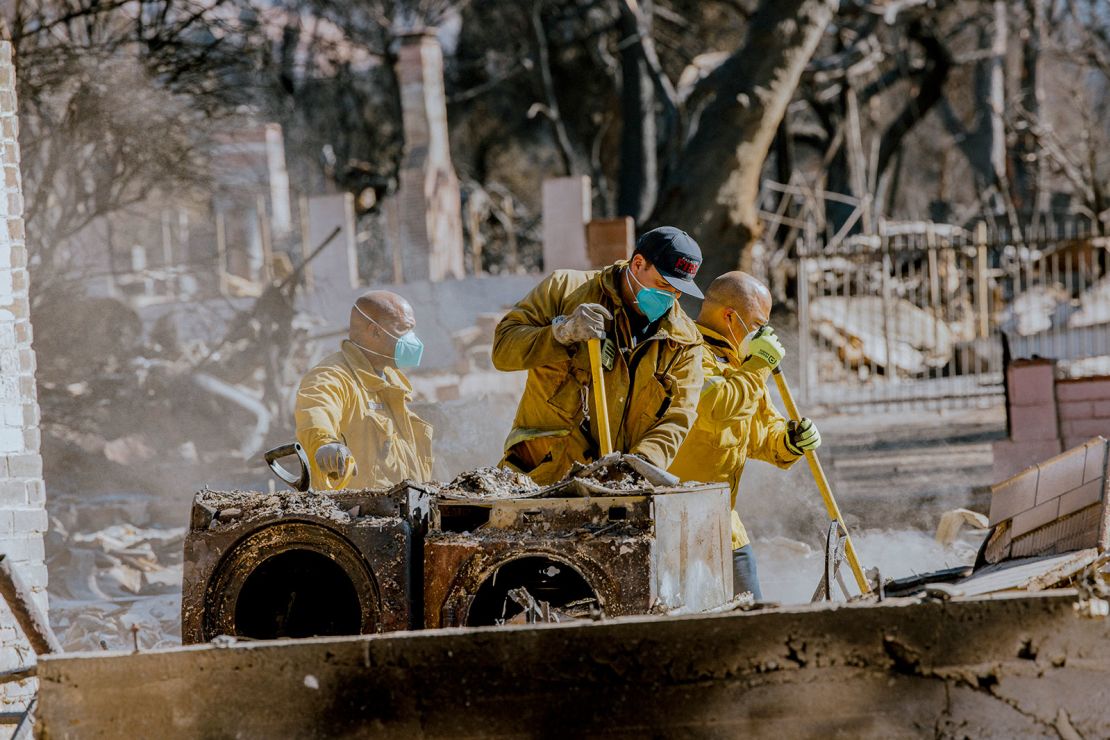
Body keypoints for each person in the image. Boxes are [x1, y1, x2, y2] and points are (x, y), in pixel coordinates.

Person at [492, 226, 706, 485]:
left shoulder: (683, 341)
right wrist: (562, 332)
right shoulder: (565, 289)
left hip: (614, 488)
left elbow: (677, 417)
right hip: (539, 476)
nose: (670, 297)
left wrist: (639, 468)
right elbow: (503, 350)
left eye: (678, 291)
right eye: (663, 284)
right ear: (638, 264)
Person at [668, 271, 822, 600]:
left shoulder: (742, 363)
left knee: (749, 613)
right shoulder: (684, 351)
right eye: (757, 324)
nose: (763, 333)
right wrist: (760, 364)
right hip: (672, 520)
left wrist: (790, 441)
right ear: (729, 316)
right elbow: (715, 408)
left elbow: (762, 434)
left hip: (722, 521)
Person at [295, 290, 433, 489]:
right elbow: (315, 415)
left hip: (404, 507)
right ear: (375, 331)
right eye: (403, 329)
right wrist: (325, 445)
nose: (412, 339)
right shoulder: (331, 376)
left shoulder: (393, 380)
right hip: (357, 513)